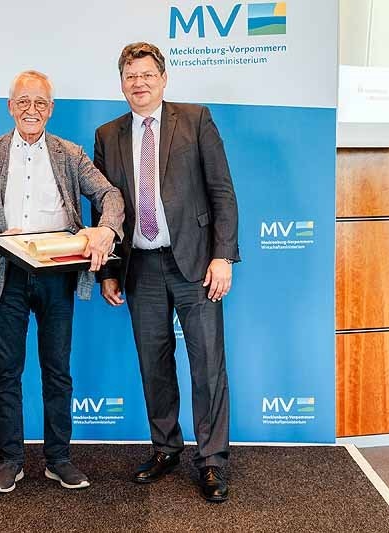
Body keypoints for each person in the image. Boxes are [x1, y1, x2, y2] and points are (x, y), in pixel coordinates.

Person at [0, 70, 124, 493]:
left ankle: (58, 458)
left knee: (58, 371)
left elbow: (110, 196)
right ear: (10, 107)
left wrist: (106, 230)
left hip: (57, 275)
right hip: (5, 272)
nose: (31, 109)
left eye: (40, 103)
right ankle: (10, 460)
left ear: (50, 110)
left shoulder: (70, 153)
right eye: (23, 101)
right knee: (6, 373)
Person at [92, 42, 240, 502]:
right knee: (153, 365)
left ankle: (212, 460)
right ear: (122, 83)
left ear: (163, 79)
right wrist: (108, 271)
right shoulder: (107, 135)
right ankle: (166, 448)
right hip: (141, 266)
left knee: (207, 366)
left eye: (147, 75)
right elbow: (103, 209)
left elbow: (222, 191)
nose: (139, 83)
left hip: (196, 264)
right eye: (131, 76)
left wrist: (223, 256)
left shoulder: (195, 119)